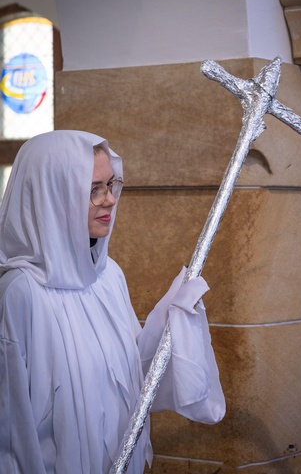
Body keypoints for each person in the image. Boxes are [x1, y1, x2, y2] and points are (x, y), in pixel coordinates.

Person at [0, 130, 225, 473]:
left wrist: (173, 319)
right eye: (93, 190)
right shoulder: (20, 293)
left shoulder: (107, 276)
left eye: (111, 185)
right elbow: (12, 431)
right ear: (51, 196)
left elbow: (129, 375)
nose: (109, 200)